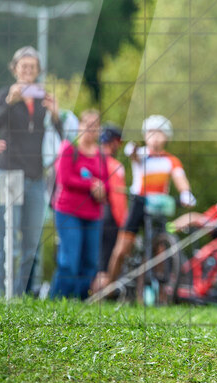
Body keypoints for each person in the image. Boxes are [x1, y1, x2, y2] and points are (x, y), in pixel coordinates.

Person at [0, 46, 62, 296]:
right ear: (15, 70)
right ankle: (4, 294)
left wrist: (55, 115)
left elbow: (60, 140)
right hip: (10, 172)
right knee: (8, 241)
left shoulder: (43, 100)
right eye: (24, 67)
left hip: (35, 177)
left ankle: (21, 293)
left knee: (32, 244)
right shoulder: (4, 95)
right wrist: (10, 102)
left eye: (32, 67)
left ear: (38, 71)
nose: (28, 71)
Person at [104, 114, 195, 286]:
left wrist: (186, 193)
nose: (155, 137)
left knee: (161, 250)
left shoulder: (171, 160)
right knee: (123, 247)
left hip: (158, 205)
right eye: (151, 133)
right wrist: (132, 150)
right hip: (139, 203)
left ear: (166, 137)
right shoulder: (142, 154)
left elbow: (180, 178)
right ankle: (110, 286)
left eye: (159, 133)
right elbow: (133, 154)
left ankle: (161, 292)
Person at [49, 110, 108, 299]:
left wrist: (102, 189)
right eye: (87, 126)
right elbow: (64, 179)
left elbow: (107, 180)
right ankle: (58, 300)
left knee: (90, 261)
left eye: (95, 127)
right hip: (69, 211)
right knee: (69, 260)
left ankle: (80, 300)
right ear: (80, 126)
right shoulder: (69, 148)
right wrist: (91, 185)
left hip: (93, 214)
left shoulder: (101, 156)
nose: (90, 131)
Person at [92, 124, 127, 294]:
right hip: (110, 217)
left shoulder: (91, 160)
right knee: (104, 264)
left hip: (91, 216)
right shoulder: (115, 165)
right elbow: (118, 199)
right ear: (114, 143)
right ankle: (100, 300)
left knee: (95, 260)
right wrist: (123, 224)